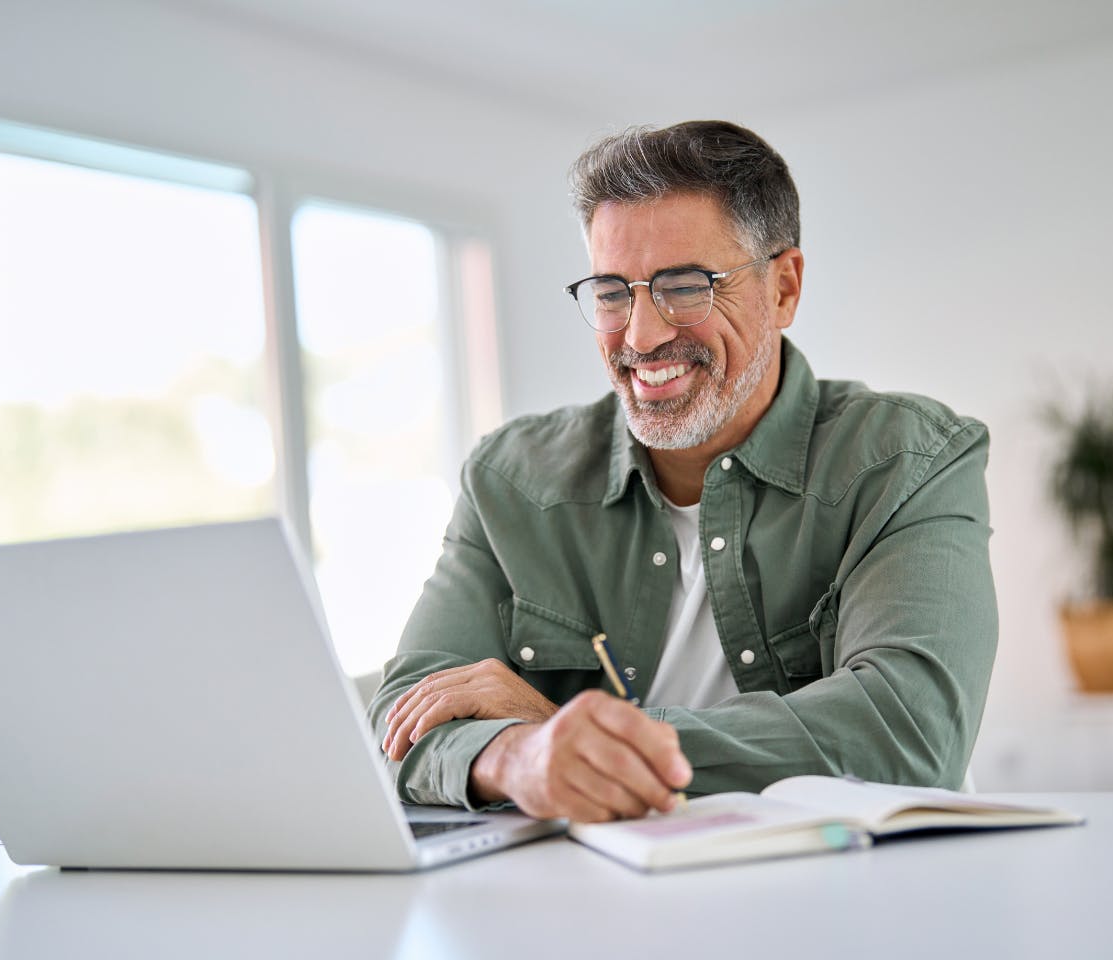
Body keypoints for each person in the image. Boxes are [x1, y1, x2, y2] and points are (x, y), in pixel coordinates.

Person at [368, 120, 997, 823]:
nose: (640, 336)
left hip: (849, 895)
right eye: (612, 292)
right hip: (591, 905)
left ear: (783, 287)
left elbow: (908, 731)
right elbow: (405, 714)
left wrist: (575, 737)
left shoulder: (909, 459)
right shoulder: (509, 480)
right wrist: (520, 757)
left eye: (686, 286)